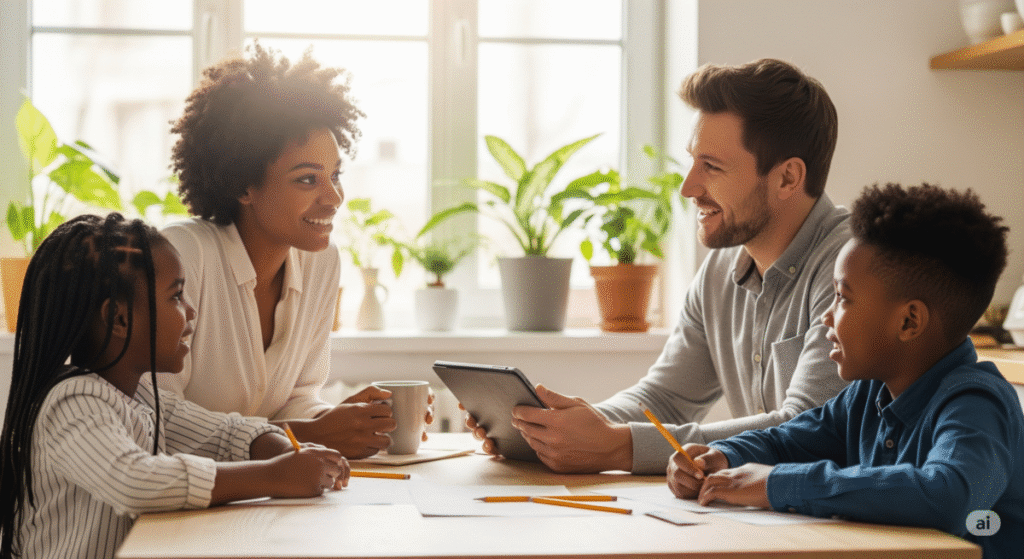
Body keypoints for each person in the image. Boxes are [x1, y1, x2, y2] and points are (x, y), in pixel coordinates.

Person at [468, 58, 850, 474]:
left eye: (712, 167)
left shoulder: (852, 269)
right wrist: (562, 429)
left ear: (787, 179)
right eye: (692, 161)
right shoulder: (721, 269)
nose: (688, 187)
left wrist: (620, 447)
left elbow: (807, 430)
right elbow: (665, 398)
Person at [667, 183, 1023, 559]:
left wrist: (778, 483)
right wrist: (720, 458)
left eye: (842, 297)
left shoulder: (977, 402)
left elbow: (947, 495)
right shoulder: (869, 394)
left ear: (909, 321)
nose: (826, 316)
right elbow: (787, 441)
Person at [0, 214, 349, 559]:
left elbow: (225, 434)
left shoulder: (141, 397)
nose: (191, 311)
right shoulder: (72, 402)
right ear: (118, 318)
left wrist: (287, 452)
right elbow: (134, 480)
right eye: (176, 297)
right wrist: (274, 476)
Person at [163, 43, 430, 459]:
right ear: (242, 186)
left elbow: (297, 400)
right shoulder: (180, 257)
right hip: (174, 506)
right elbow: (160, 418)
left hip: (258, 499)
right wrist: (301, 434)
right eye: (308, 180)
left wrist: (342, 419)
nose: (334, 197)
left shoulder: (321, 261)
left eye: (335, 175)